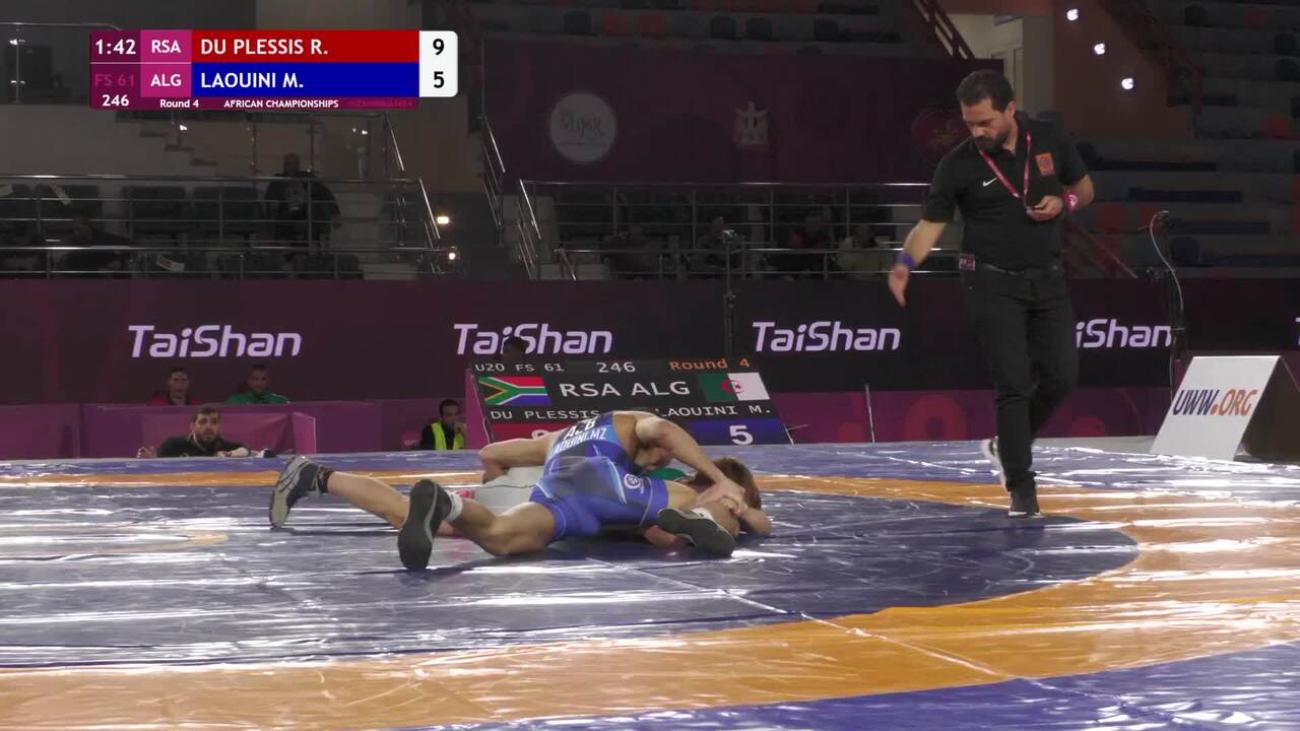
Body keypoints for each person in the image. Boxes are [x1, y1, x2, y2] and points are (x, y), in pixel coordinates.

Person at [888, 70, 1094, 518]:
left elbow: (1084, 188)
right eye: (969, 124)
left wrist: (1064, 204)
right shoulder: (957, 164)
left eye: (985, 122)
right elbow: (931, 225)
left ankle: (1006, 445)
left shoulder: (1048, 138)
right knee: (1013, 384)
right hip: (990, 282)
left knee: (1061, 376)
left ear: (1010, 110)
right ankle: (1021, 486)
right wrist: (904, 264)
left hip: (1048, 277)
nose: (977, 132)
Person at [270, 411, 771, 567]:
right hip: (563, 491)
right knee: (685, 511)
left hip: (546, 493)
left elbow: (491, 453)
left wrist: (492, 485)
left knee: (500, 538)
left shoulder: (566, 435)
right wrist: (726, 488)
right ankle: (712, 521)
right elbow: (660, 429)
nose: (664, 461)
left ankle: (319, 476)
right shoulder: (641, 444)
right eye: (665, 456)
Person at [137, 404, 253, 458]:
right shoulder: (173, 445)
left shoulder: (222, 446)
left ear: (219, 426)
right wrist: (151, 461)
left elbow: (245, 449)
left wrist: (232, 454)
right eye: (203, 422)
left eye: (214, 422)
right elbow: (158, 464)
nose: (209, 426)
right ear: (192, 426)